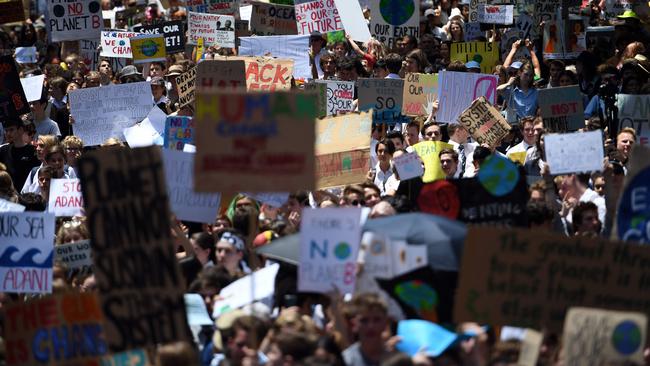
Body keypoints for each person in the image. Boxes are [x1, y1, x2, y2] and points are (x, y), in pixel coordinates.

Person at [342, 293, 397, 366]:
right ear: (354, 324)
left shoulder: (396, 359)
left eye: (377, 320)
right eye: (364, 320)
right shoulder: (346, 360)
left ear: (386, 322)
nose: (371, 326)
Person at [0, 118, 40, 190]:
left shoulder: (33, 151)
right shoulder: (3, 150)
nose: (8, 133)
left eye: (11, 130)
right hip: (8, 195)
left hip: (27, 195)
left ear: (21, 130)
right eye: (6, 130)